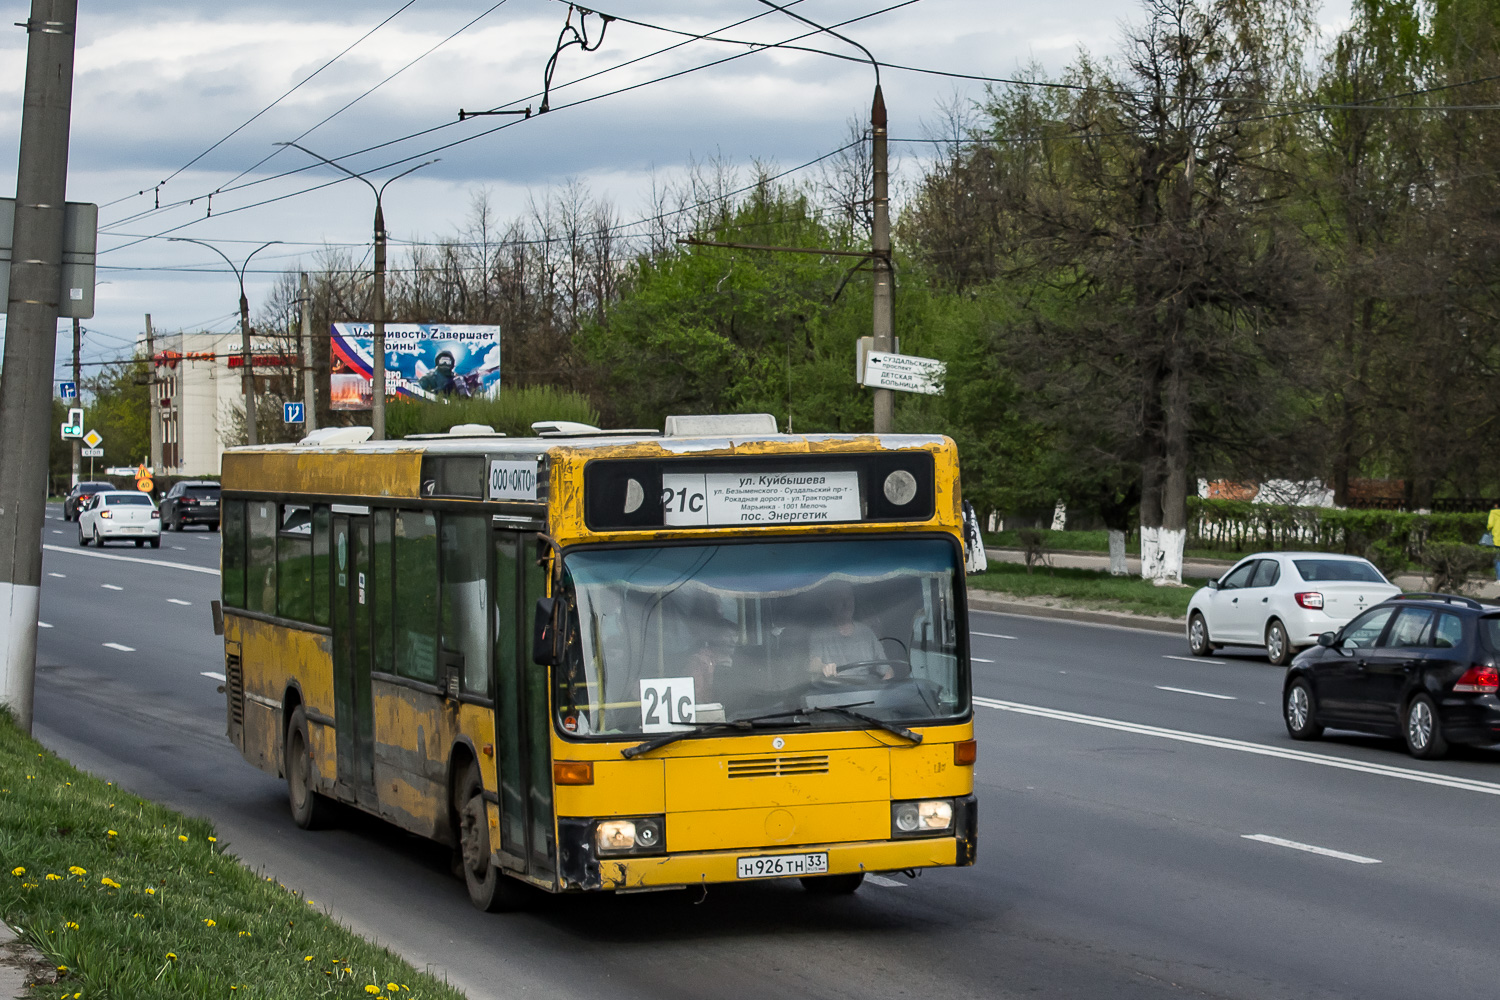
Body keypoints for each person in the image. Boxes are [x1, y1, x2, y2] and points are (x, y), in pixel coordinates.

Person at [808, 582, 890, 680]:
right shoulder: (820, 634)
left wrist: (886, 686)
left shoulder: (866, 633)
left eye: (849, 598)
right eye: (840, 599)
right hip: (833, 692)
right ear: (829, 604)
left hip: (865, 691)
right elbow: (813, 663)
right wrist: (823, 667)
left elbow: (886, 669)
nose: (846, 603)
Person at [1488, 504, 1500, 582]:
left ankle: (1499, 579)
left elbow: (1490, 525)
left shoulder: (1493, 512)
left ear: (1496, 505)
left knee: (1497, 559)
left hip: (1497, 539)